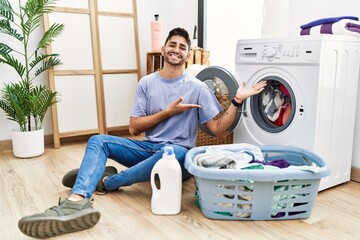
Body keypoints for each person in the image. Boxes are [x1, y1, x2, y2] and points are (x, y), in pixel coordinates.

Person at [18, 27, 267, 238]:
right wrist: (167, 113)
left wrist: (236, 100)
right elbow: (134, 128)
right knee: (98, 140)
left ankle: (106, 181)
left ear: (187, 55)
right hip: (147, 149)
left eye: (182, 47)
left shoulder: (198, 88)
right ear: (163, 49)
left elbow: (217, 130)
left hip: (176, 157)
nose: (176, 49)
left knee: (174, 152)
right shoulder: (147, 83)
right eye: (172, 44)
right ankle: (77, 199)